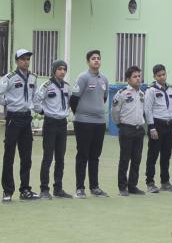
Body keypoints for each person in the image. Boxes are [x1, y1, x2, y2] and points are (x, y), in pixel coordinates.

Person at [71, 50, 111, 198]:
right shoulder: (83, 77)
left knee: (95, 155)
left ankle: (94, 187)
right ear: (88, 62)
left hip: (99, 123)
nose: (96, 60)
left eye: (98, 58)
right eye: (93, 58)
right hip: (83, 122)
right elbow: (74, 99)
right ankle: (80, 188)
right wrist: (82, 114)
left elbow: (104, 98)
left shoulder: (104, 79)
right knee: (83, 154)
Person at [0, 48, 38, 201]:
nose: (26, 62)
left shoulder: (33, 78)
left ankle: (25, 189)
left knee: (26, 156)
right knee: (9, 155)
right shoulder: (9, 77)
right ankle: (7, 191)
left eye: (28, 59)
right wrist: (9, 103)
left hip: (26, 118)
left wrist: (38, 109)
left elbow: (34, 97)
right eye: (22, 59)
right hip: (13, 118)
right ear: (16, 61)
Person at [38, 60, 73, 198]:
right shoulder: (46, 85)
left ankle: (58, 189)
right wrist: (43, 111)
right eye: (59, 69)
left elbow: (70, 102)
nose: (62, 72)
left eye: (64, 69)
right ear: (54, 70)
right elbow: (36, 100)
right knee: (48, 157)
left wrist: (64, 112)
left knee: (60, 158)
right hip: (50, 123)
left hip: (62, 124)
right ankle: (44, 189)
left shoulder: (67, 87)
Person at [112, 66, 147, 196]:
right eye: (134, 77)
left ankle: (133, 186)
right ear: (128, 79)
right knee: (125, 159)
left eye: (139, 76)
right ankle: (122, 187)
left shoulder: (142, 93)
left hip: (139, 130)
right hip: (126, 129)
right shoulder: (122, 93)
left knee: (136, 159)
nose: (138, 79)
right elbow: (115, 111)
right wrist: (119, 124)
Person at [144, 64, 172, 192]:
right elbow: (147, 109)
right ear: (154, 76)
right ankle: (150, 182)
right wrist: (151, 127)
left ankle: (165, 182)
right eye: (159, 75)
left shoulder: (171, 89)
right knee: (153, 155)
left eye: (163, 74)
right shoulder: (151, 90)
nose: (162, 77)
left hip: (169, 125)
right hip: (157, 125)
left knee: (166, 155)